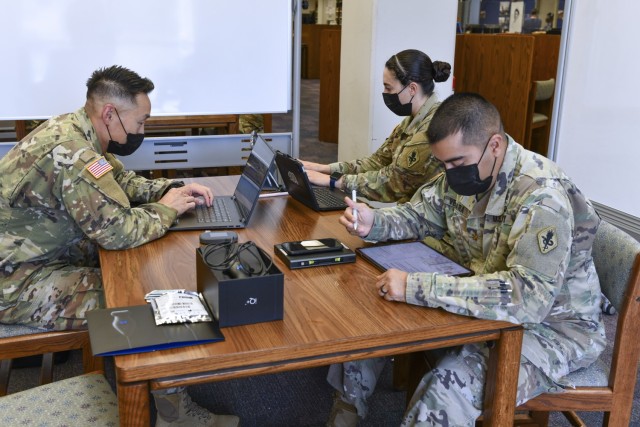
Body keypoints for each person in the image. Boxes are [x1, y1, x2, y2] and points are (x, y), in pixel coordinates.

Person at [327, 93, 605, 426]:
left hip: (550, 329)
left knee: (447, 388)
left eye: (456, 163)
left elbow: (527, 298)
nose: (449, 173)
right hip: (483, 298)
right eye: (443, 164)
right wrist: (374, 222)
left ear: (495, 145)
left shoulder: (542, 196)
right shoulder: (466, 170)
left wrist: (417, 287)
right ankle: (348, 411)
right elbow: (420, 214)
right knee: (372, 317)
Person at [0, 65, 238, 427]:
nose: (141, 131)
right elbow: (119, 232)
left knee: (142, 276)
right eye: (140, 123)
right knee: (141, 306)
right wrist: (167, 210)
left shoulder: (76, 129)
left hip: (40, 256)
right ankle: (174, 417)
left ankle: (164, 392)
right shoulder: (73, 153)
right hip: (17, 282)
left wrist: (167, 191)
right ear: (110, 113)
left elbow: (118, 180)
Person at [301, 49, 451, 204]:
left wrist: (334, 182)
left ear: (412, 89)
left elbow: (393, 184)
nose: (385, 93)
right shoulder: (412, 120)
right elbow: (377, 161)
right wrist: (323, 169)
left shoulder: (432, 127)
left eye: (389, 88)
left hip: (422, 222)